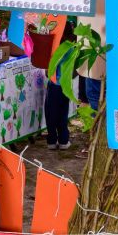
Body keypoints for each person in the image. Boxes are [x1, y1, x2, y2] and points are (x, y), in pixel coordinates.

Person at [45, 20, 75, 151]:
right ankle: (63, 140)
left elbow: (49, 70)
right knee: (63, 113)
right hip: (66, 84)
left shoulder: (56, 46)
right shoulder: (73, 46)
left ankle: (52, 140)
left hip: (54, 83)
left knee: (51, 113)